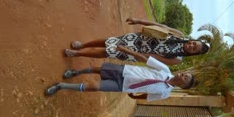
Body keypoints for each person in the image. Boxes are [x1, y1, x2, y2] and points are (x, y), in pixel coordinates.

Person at [45, 46, 195, 101]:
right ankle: (76, 72)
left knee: (95, 87)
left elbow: (147, 97)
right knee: (99, 70)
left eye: (185, 78)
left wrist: (134, 94)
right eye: (185, 74)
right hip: (125, 71)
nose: (182, 75)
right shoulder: (166, 70)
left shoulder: (164, 94)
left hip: (123, 85)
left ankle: (61, 86)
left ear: (183, 85)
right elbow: (146, 59)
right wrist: (126, 50)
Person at [63, 17, 210, 66]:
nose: (191, 46)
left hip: (137, 53)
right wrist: (138, 20)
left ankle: (77, 53)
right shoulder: (180, 34)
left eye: (193, 49)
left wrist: (130, 52)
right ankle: (83, 45)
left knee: (107, 52)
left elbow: (153, 58)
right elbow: (159, 26)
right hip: (137, 38)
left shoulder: (177, 59)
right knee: (108, 41)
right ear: (193, 40)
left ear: (193, 53)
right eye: (193, 43)